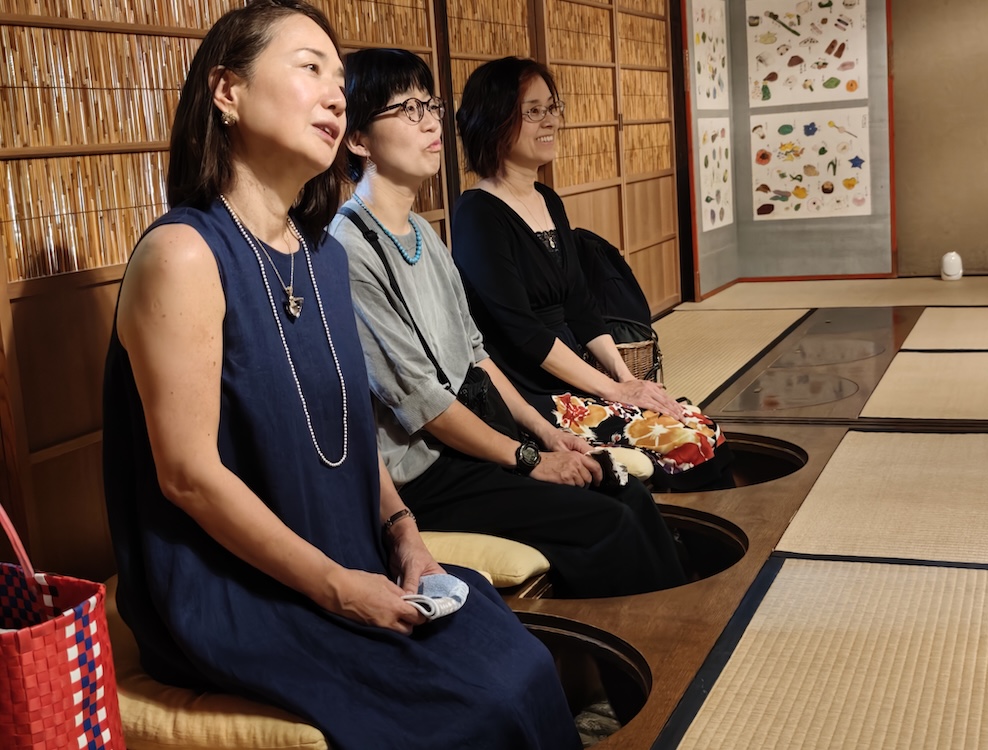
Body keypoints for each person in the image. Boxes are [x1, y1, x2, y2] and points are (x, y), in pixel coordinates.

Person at [101, 5, 581, 748]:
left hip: (352, 551)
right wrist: (337, 588)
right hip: (231, 587)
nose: (336, 95)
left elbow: (354, 431)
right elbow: (188, 477)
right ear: (227, 91)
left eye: (339, 78)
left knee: (517, 658)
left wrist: (404, 534)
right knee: (464, 712)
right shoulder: (184, 254)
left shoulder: (322, 255)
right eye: (310, 68)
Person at [328, 48, 686, 598]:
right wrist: (528, 458)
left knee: (623, 491)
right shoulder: (349, 247)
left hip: (478, 439)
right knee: (605, 520)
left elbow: (477, 355)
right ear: (358, 138)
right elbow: (424, 403)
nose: (431, 123)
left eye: (431, 106)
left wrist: (547, 434)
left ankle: (682, 621)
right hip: (425, 472)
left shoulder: (424, 235)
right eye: (407, 110)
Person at [452, 57, 732, 492]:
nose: (551, 121)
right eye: (533, 111)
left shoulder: (548, 199)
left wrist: (626, 379)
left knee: (703, 427)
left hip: (577, 376)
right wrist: (612, 391)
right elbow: (525, 334)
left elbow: (580, 306)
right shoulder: (478, 214)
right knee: (684, 443)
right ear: (493, 120)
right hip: (530, 391)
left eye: (552, 107)